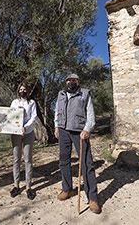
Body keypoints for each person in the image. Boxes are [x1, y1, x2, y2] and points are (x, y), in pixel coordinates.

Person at [54, 73, 101, 214]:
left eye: (73, 80)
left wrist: (87, 129)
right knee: (63, 161)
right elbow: (57, 111)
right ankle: (67, 189)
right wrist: (56, 126)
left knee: (87, 163)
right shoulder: (61, 94)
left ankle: (92, 197)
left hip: (79, 132)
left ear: (78, 82)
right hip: (63, 131)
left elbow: (90, 114)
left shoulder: (84, 94)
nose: (70, 82)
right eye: (68, 80)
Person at [9, 82, 37, 200]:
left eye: (25, 89)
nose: (23, 91)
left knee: (28, 159)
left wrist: (25, 127)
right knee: (16, 159)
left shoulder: (32, 103)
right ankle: (16, 185)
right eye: (21, 89)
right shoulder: (14, 102)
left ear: (28, 91)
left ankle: (28, 186)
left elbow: (33, 116)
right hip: (16, 133)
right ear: (17, 91)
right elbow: (10, 115)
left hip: (28, 132)